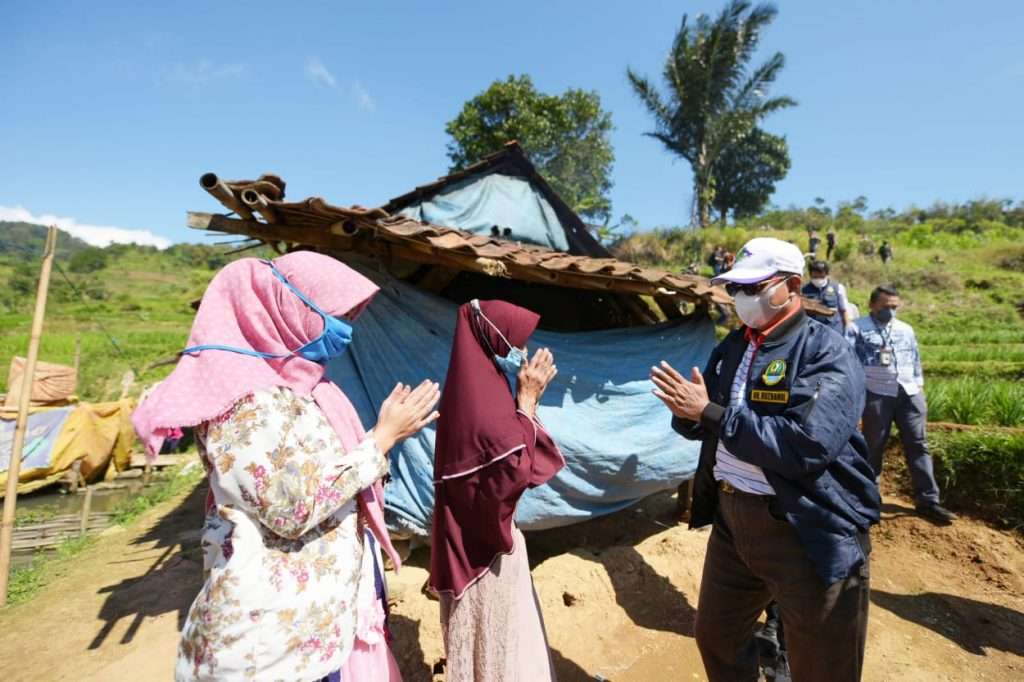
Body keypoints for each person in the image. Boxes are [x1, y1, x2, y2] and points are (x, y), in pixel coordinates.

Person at [132, 252, 441, 682]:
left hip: (310, 625)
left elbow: (315, 469)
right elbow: (290, 509)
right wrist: (380, 441)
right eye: (333, 314)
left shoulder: (299, 388)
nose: (345, 328)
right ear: (287, 308)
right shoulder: (242, 403)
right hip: (271, 642)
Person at [651, 237, 879, 682]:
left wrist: (709, 412)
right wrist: (689, 416)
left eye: (754, 287)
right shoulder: (735, 346)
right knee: (716, 637)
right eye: (736, 289)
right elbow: (716, 421)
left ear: (791, 286)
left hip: (806, 526)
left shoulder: (825, 352)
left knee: (823, 664)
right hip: (734, 523)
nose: (741, 298)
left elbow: (804, 447)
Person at [429, 299, 565, 682]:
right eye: (515, 342)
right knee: (502, 654)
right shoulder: (484, 407)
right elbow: (516, 471)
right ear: (493, 337)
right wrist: (527, 402)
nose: (519, 353)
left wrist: (523, 407)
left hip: (468, 547)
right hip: (487, 558)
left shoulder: (472, 391)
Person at [851, 286, 956, 525]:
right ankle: (869, 501)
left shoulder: (905, 329)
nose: (890, 311)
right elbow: (848, 360)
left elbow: (915, 358)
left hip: (908, 392)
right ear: (872, 305)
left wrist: (919, 387)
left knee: (919, 445)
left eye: (894, 307)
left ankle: (929, 501)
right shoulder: (857, 328)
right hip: (876, 392)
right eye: (885, 306)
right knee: (873, 447)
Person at [801, 260, 851, 336]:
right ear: (810, 275)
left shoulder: (837, 288)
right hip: (813, 332)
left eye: (821, 276)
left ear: (827, 274)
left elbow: (843, 310)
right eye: (815, 277)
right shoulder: (804, 290)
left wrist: (847, 329)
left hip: (834, 331)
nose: (818, 279)